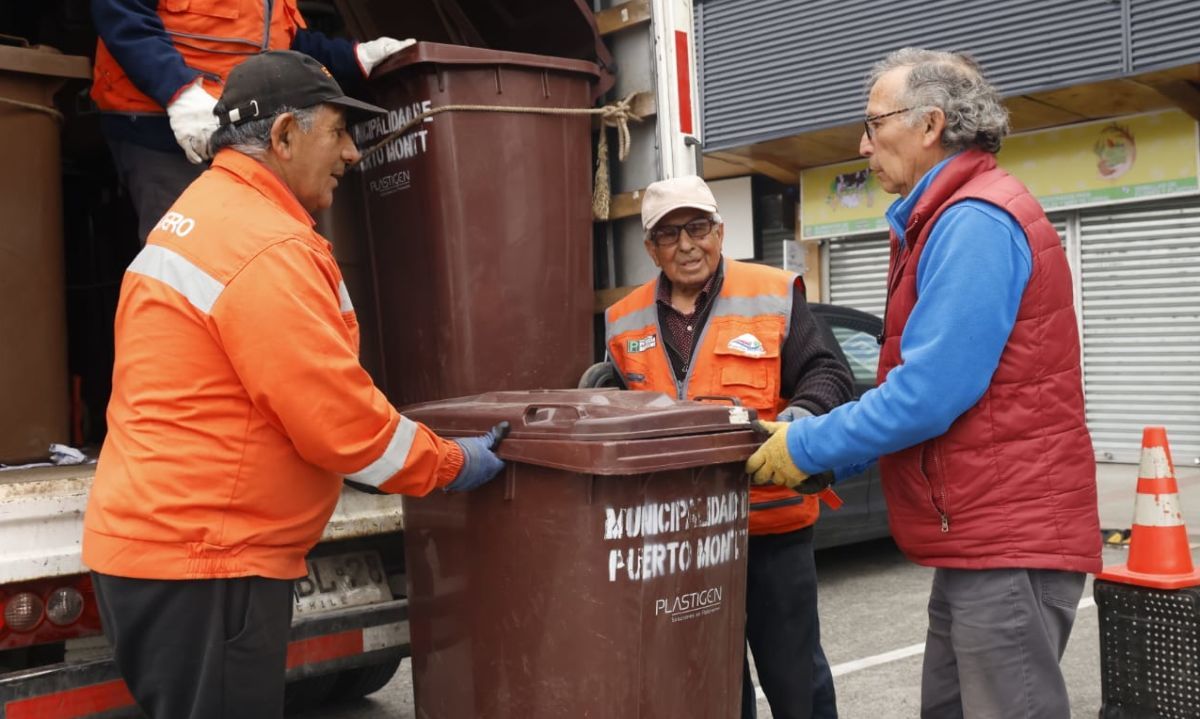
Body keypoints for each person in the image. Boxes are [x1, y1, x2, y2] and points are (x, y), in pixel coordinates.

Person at [82, 51, 505, 719]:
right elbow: (341, 423)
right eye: (337, 132)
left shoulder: (203, 214)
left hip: (171, 551)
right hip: (210, 564)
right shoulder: (265, 245)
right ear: (283, 136)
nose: (352, 154)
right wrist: (453, 463)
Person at [745, 48, 1102, 718]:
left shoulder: (974, 221)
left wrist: (804, 447)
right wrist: (821, 450)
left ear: (931, 123)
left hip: (1007, 541)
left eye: (874, 123)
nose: (863, 142)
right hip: (981, 540)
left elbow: (929, 394)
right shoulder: (945, 217)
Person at [604, 175, 854, 719]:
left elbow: (829, 375)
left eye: (697, 227)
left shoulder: (771, 292)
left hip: (770, 533)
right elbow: (616, 411)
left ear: (720, 231)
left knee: (797, 685)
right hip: (680, 543)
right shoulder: (623, 322)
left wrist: (796, 427)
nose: (686, 245)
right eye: (668, 234)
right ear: (651, 248)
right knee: (708, 688)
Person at [91, 0, 413, 240]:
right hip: (160, 127)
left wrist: (355, 57)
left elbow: (279, 42)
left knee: (242, 247)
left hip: (239, 127)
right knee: (188, 250)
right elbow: (121, 14)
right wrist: (179, 92)